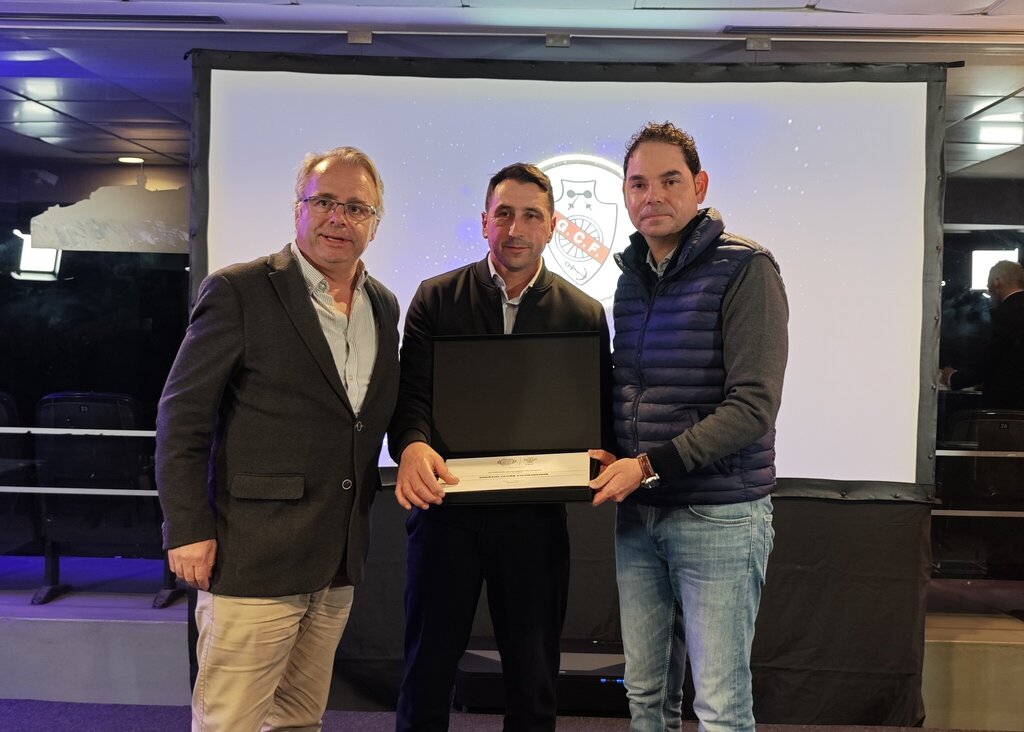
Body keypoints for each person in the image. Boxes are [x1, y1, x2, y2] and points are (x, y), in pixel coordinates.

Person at [156, 146, 400, 732]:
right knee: (230, 723)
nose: (338, 218)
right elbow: (182, 416)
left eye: (357, 208)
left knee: (298, 721)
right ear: (298, 209)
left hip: (336, 558)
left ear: (374, 223)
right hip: (252, 556)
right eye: (324, 202)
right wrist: (186, 527)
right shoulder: (239, 290)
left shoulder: (383, 305)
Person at [389, 162, 610, 732]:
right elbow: (411, 399)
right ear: (484, 221)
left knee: (533, 682)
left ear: (553, 226)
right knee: (426, 672)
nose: (516, 228)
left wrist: (600, 453)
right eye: (504, 214)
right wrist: (411, 445)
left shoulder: (584, 314)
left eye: (531, 216)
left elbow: (595, 416)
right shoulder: (436, 298)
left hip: (533, 522)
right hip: (446, 514)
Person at [589, 122, 789, 732]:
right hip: (640, 516)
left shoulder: (747, 268)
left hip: (719, 516)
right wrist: (612, 447)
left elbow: (753, 406)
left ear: (699, 186)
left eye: (669, 180)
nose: (652, 195)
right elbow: (634, 387)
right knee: (645, 697)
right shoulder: (631, 277)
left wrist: (647, 465)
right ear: (625, 194)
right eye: (638, 183)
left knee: (720, 707)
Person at [940, 259, 1024, 409]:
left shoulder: (1002, 315)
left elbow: (987, 360)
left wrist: (953, 377)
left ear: (997, 282)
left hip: (1006, 407)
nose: (987, 287)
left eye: (988, 282)